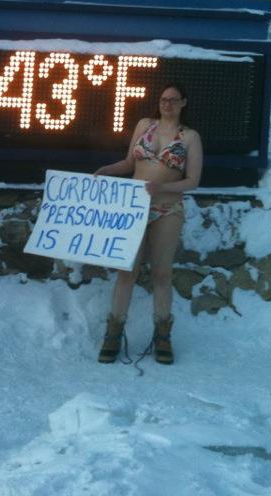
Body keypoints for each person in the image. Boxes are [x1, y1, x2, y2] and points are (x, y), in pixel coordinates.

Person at [93, 83, 202, 365]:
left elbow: (193, 180)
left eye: (173, 100)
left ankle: (163, 334)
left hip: (167, 208)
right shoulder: (145, 125)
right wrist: (107, 171)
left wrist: (163, 189)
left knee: (162, 273)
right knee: (126, 270)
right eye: (163, 99)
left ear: (184, 103)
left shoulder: (190, 137)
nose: (167, 104)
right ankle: (113, 332)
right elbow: (130, 162)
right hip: (134, 208)